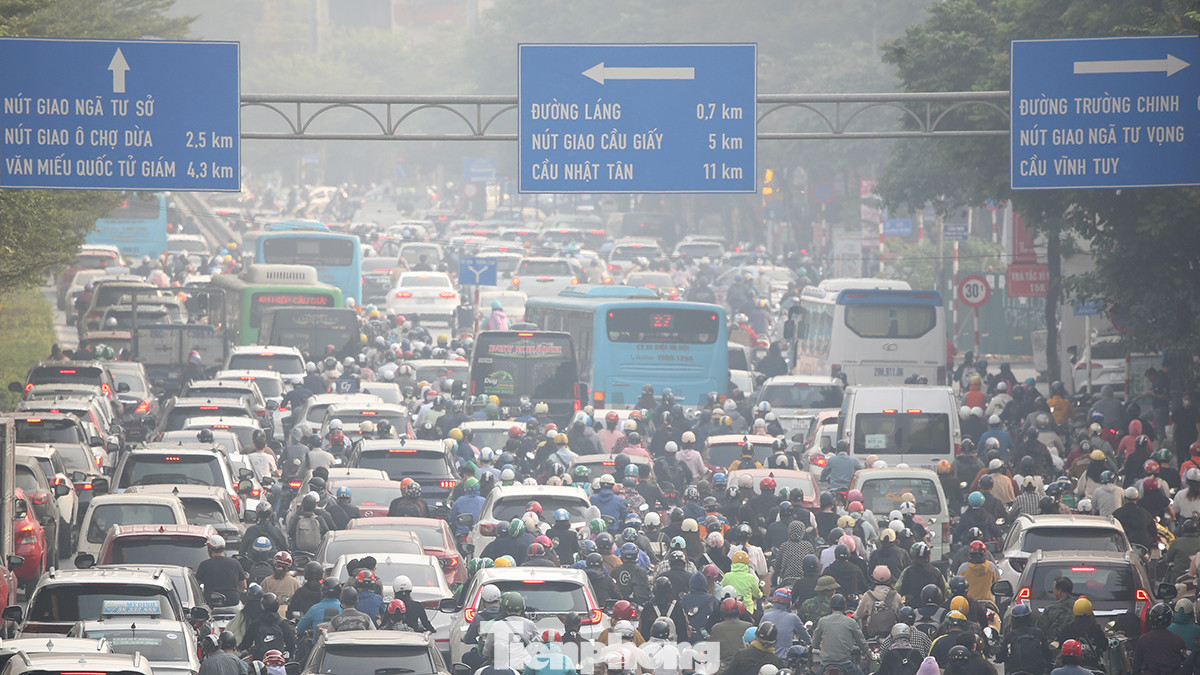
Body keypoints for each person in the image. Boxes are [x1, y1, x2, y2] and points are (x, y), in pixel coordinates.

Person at [813, 593, 869, 675]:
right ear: (844, 607)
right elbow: (862, 643)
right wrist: (868, 653)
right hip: (845, 663)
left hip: (825, 664)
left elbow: (815, 643)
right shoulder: (851, 622)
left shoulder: (822, 621)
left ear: (831, 607)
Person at [1133, 603, 1187, 675]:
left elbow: (1136, 665)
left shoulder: (1143, 640)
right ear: (1170, 619)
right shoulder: (1177, 640)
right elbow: (1185, 662)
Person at [196, 535, 247, 606]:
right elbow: (243, 586)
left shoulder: (204, 565)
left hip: (211, 603)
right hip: (233, 602)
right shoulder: (235, 563)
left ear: (210, 549)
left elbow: (196, 585)